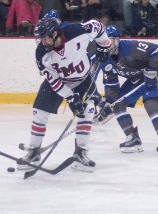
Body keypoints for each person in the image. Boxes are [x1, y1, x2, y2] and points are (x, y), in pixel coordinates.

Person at [18, 17, 111, 172]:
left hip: (82, 80)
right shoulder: (41, 53)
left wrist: (104, 45)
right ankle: (34, 151)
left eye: (46, 38)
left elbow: (99, 26)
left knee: (87, 112)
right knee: (39, 113)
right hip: (59, 82)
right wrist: (69, 96)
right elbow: (53, 80)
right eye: (41, 39)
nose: (43, 42)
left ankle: (80, 152)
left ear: (55, 33)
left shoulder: (77, 31)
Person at [97, 25, 158, 154]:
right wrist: (108, 101)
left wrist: (152, 69)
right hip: (135, 79)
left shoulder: (131, 47)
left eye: (108, 41)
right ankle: (133, 138)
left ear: (117, 40)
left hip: (153, 77)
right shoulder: (104, 60)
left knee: (151, 103)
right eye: (101, 42)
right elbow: (111, 85)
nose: (105, 45)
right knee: (117, 105)